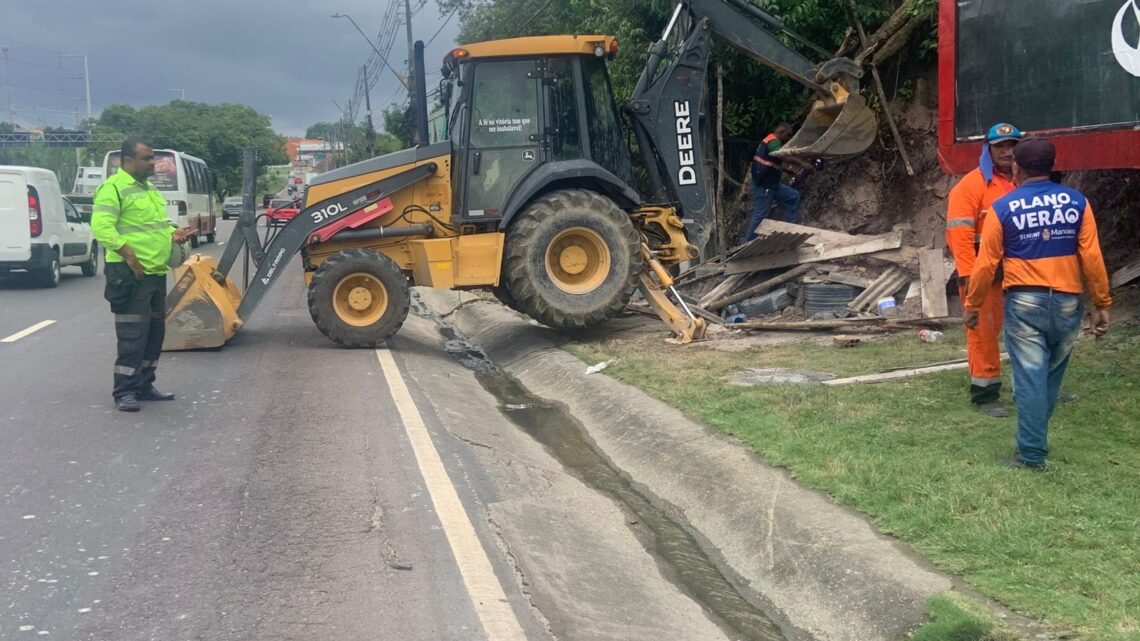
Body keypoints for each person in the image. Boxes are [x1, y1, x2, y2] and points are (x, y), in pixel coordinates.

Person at [964, 138, 1111, 470]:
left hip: (1024, 303)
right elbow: (1092, 257)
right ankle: (1033, 441)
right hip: (1068, 304)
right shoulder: (1078, 203)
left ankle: (1031, 454)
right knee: (1049, 378)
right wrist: (1102, 302)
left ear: (1017, 167)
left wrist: (973, 305)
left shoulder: (1003, 208)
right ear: (1051, 165)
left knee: (1030, 379)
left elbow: (986, 264)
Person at [91, 138, 195, 412]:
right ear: (127, 161)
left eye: (152, 158)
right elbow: (102, 227)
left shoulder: (149, 190)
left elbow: (155, 226)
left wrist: (174, 233)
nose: (153, 164)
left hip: (154, 272)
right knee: (132, 335)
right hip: (129, 273)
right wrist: (128, 254)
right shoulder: (113, 189)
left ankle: (144, 385)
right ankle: (124, 391)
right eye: (147, 158)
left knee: (154, 334)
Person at [945, 122, 1022, 416]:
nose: (1007, 151)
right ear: (988, 150)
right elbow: (959, 236)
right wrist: (969, 278)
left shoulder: (1022, 184)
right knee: (983, 335)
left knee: (1024, 332)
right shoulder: (970, 187)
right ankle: (985, 394)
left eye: (1012, 145)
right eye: (1000, 146)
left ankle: (1032, 387)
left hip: (1018, 275)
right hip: (983, 278)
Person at [742, 123, 801, 242]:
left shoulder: (770, 141)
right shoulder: (773, 141)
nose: (788, 139)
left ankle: (791, 229)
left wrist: (786, 170)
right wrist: (802, 163)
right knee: (760, 215)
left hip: (773, 185)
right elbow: (782, 156)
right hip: (764, 187)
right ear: (782, 132)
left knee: (793, 196)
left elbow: (771, 161)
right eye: (788, 135)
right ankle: (747, 242)